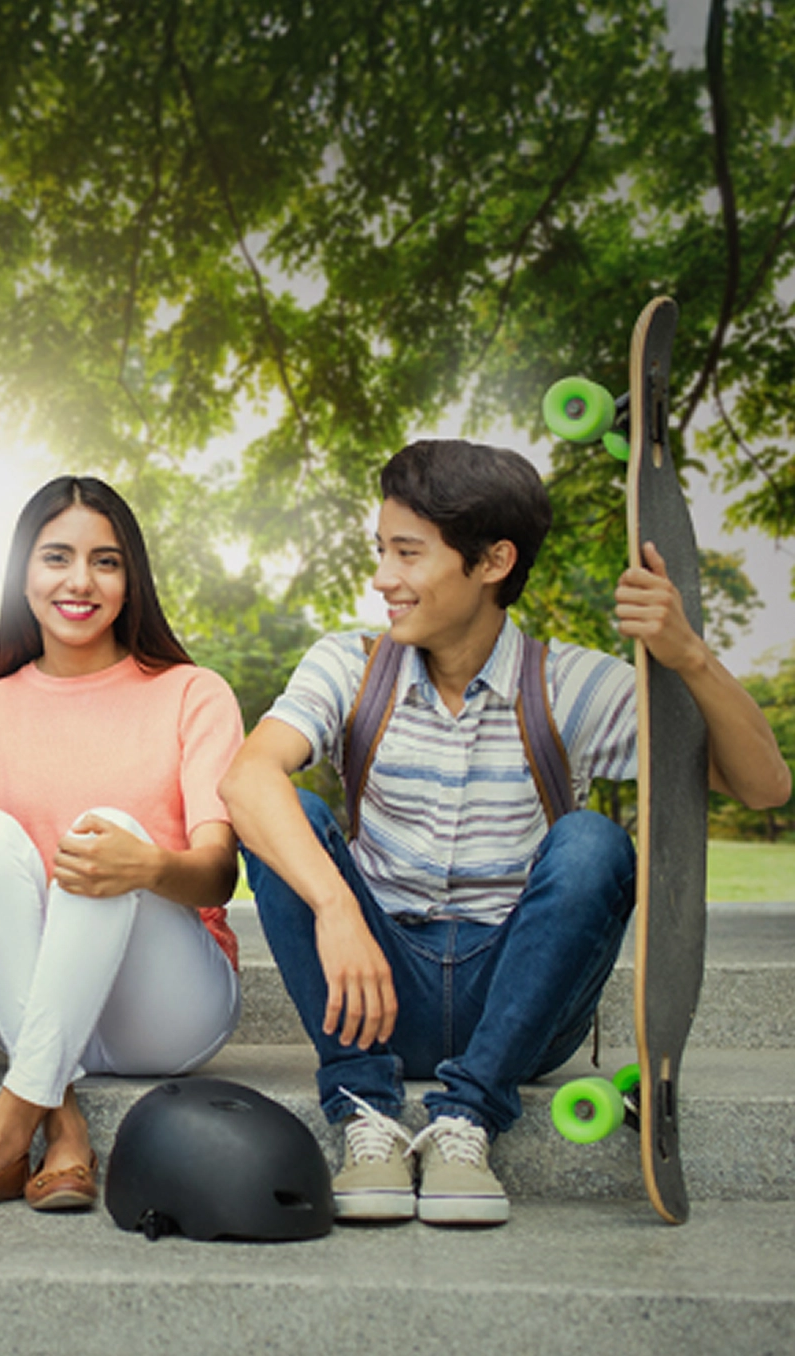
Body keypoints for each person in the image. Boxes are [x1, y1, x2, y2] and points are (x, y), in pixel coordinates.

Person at [221, 439, 790, 1227]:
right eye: (382, 550)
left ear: (492, 562)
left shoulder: (573, 684)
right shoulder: (348, 665)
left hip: (518, 1004)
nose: (383, 577)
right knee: (291, 819)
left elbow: (765, 785)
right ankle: (365, 1113)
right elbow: (245, 778)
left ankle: (468, 1120)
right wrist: (337, 908)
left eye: (408, 553)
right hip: (374, 989)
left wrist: (686, 653)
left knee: (593, 843)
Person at [0, 475, 243, 1214]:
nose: (81, 581)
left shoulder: (192, 692)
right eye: (57, 558)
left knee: (108, 829)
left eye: (106, 561)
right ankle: (63, 1124)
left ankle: (8, 1131)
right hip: (33, 1005)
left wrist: (146, 867)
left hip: (165, 1007)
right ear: (24, 574)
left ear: (131, 578)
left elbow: (219, 874)